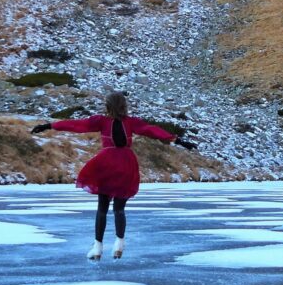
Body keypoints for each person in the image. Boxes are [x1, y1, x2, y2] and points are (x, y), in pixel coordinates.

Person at [31, 91, 196, 260]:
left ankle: (97, 248)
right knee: (119, 208)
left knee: (102, 208)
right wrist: (177, 140)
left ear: (108, 106)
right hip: (126, 163)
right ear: (124, 106)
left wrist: (50, 125)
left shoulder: (101, 121)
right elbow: (151, 130)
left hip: (107, 162)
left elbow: (78, 125)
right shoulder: (132, 122)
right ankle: (119, 244)